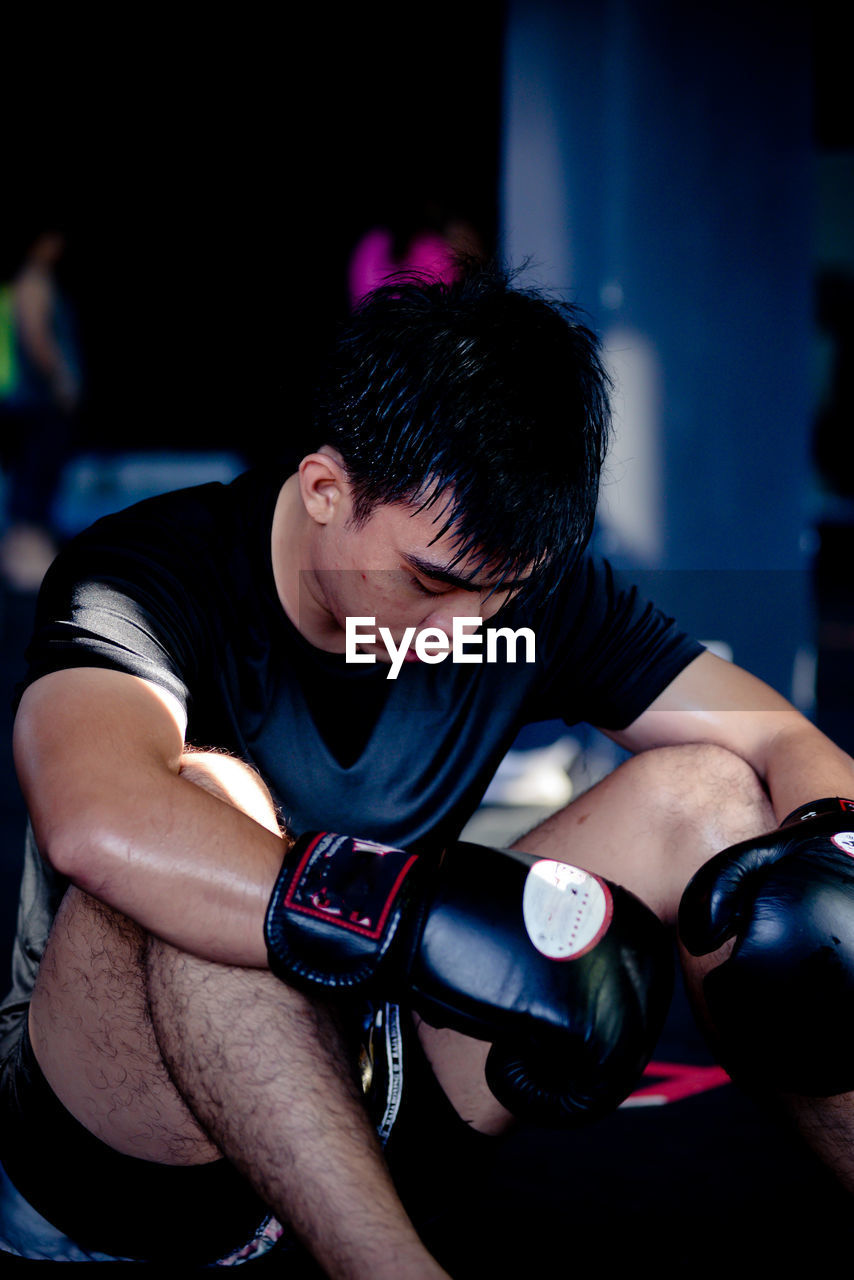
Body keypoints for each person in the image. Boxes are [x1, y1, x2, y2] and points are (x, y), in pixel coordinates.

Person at [0, 262, 853, 1273]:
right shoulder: (148, 573)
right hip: (134, 1155)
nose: (461, 629)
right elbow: (95, 816)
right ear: (325, 488)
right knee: (202, 807)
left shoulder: (509, 598)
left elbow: (778, 739)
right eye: (429, 581)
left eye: (496, 595)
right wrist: (406, 920)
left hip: (374, 1082)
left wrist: (825, 849)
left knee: (717, 802)